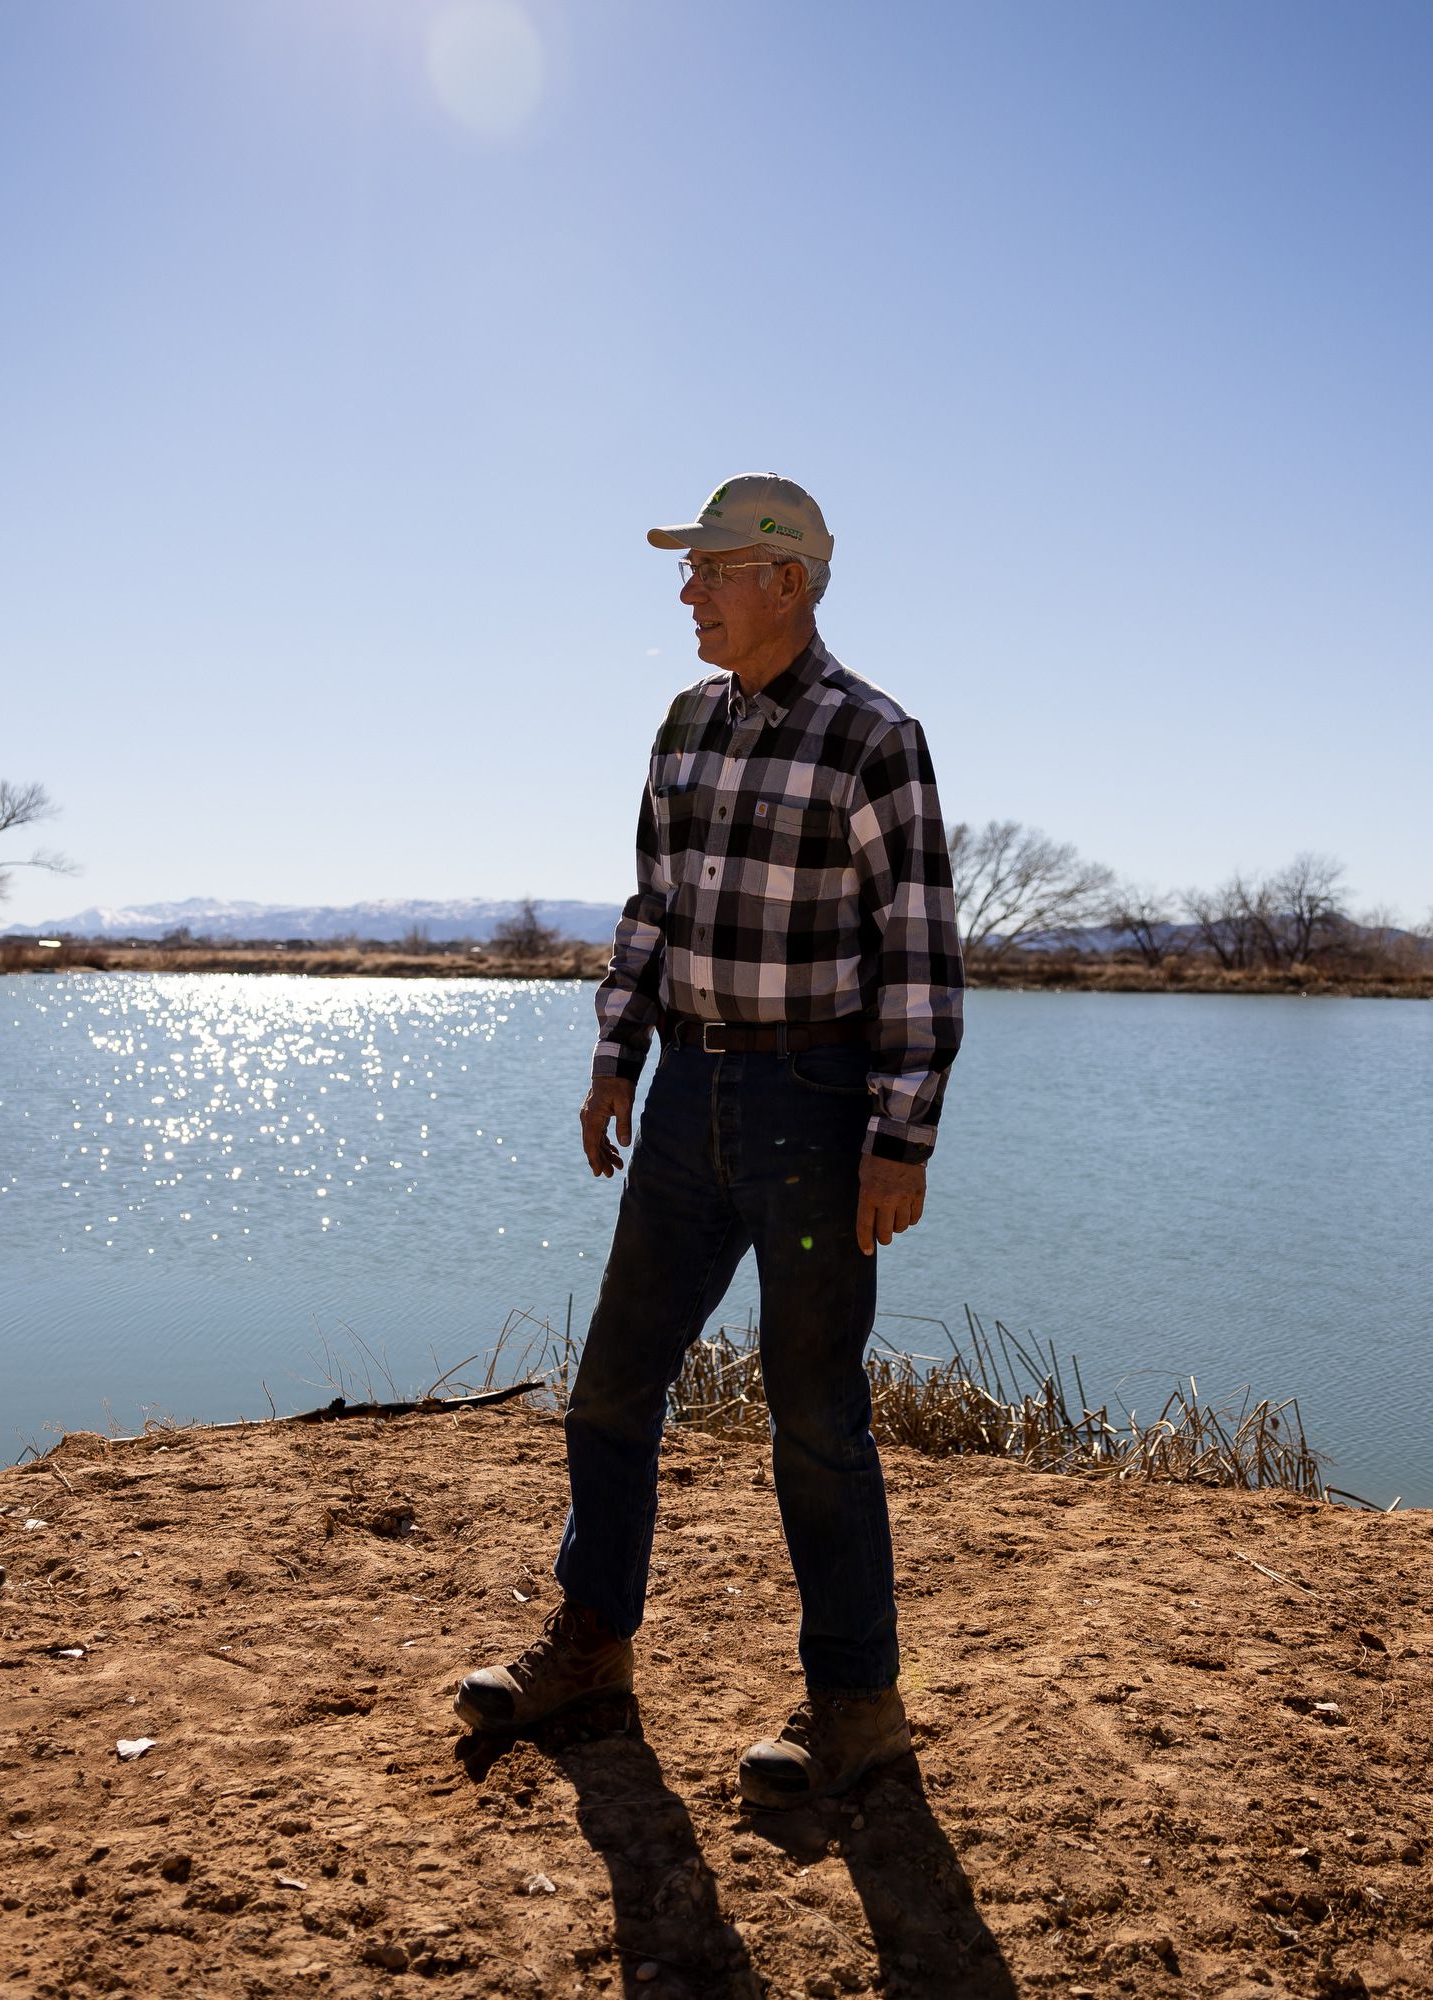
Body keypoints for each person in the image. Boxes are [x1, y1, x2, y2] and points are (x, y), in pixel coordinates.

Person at [453, 474, 965, 1809]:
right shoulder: (683, 728)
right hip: (688, 1096)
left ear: (785, 582)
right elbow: (651, 911)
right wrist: (615, 1055)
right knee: (614, 1385)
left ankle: (858, 1706)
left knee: (815, 1419)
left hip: (814, 1107)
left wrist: (897, 1138)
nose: (687, 592)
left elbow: (917, 952)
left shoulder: (874, 740)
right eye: (688, 571)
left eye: (711, 569)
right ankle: (595, 1647)